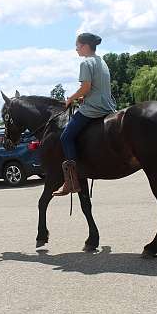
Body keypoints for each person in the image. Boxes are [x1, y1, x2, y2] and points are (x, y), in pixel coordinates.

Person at [53, 32, 117, 196]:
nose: (76, 49)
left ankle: (72, 181)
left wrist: (71, 99)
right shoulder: (101, 61)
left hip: (93, 109)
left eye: (77, 45)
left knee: (66, 137)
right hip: (108, 106)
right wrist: (82, 98)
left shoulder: (86, 63)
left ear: (85, 46)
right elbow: (96, 89)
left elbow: (86, 88)